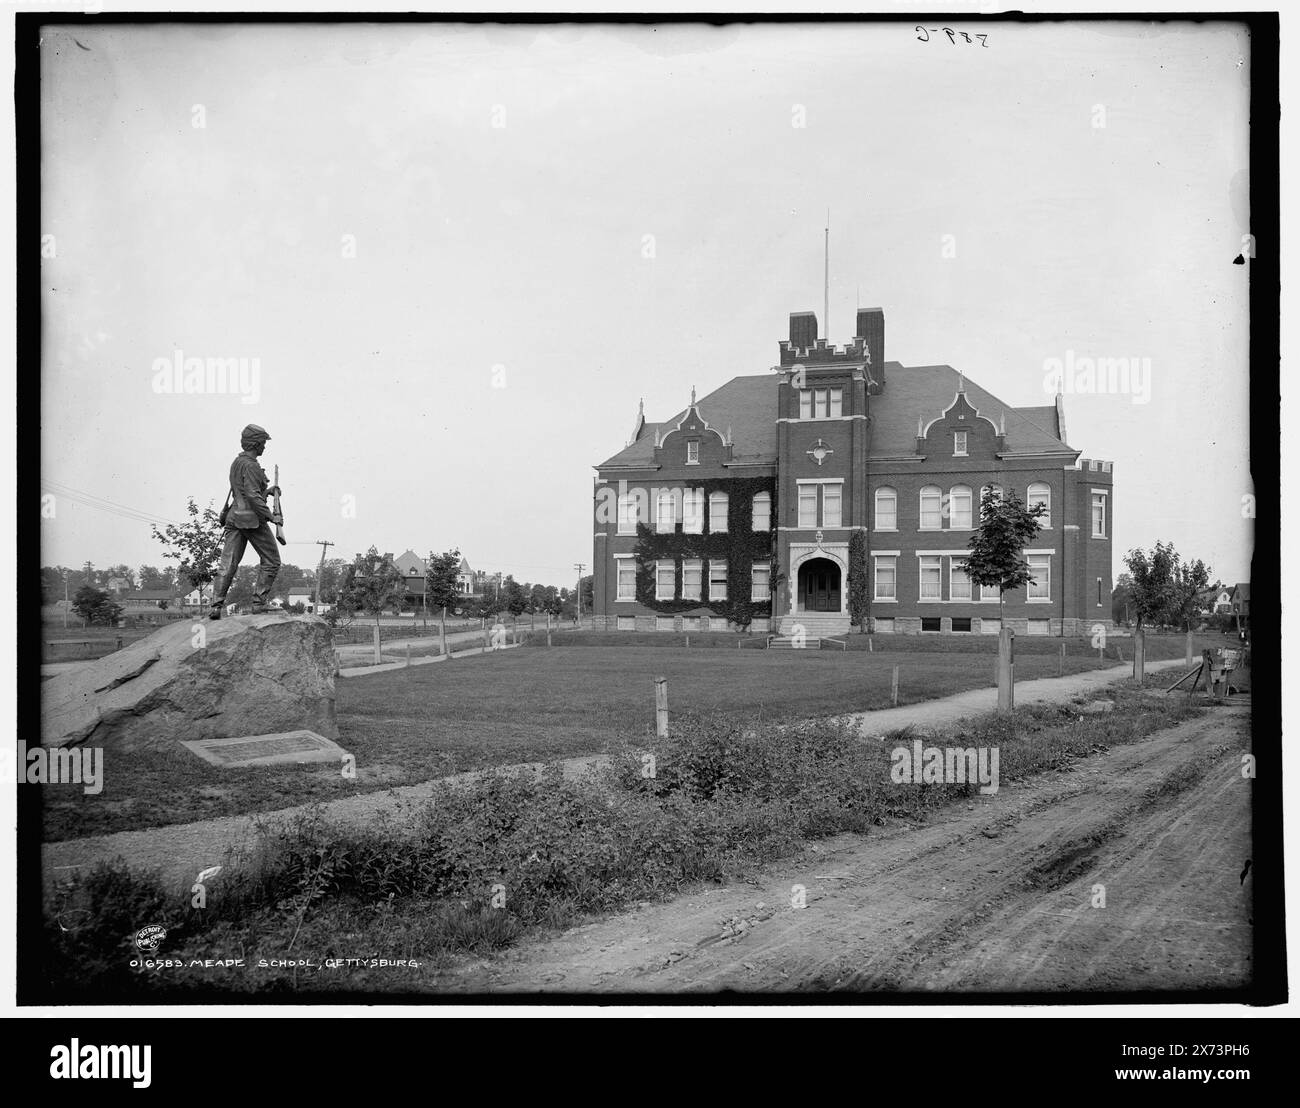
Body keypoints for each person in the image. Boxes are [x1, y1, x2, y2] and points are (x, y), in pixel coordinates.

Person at [208, 424, 283, 619]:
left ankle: (215, 606)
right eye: (263, 443)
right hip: (251, 519)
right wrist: (271, 516)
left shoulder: (237, 462)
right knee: (272, 561)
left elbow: (244, 490)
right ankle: (259, 603)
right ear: (256, 443)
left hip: (234, 517)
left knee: (228, 563)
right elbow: (251, 495)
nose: (264, 447)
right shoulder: (251, 465)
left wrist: (268, 491)